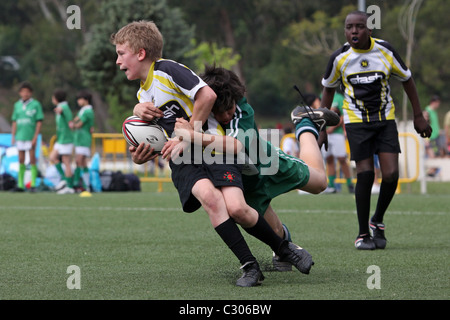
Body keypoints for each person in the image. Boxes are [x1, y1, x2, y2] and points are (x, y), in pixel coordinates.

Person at [111, 20, 313, 287]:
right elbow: (161, 137)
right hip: (184, 159)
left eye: (120, 53)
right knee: (211, 200)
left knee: (239, 208)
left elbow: (206, 96)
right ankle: (250, 266)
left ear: (140, 53)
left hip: (212, 146)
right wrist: (142, 152)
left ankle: (284, 248)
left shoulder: (167, 70)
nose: (117, 61)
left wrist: (189, 133)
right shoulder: (142, 94)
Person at [174, 65, 340, 273]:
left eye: (229, 109)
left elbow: (234, 145)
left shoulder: (243, 109)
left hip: (267, 161)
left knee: (320, 184)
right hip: (244, 182)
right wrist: (139, 110)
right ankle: (284, 246)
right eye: (220, 111)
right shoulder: (199, 107)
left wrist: (191, 135)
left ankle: (304, 124)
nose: (225, 116)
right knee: (274, 232)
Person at [320, 11, 432, 250]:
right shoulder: (339, 58)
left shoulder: (385, 51)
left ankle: (377, 220)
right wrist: (321, 125)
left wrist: (418, 115)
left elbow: (407, 80)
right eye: (349, 27)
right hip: (356, 121)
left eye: (359, 27)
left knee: (391, 174)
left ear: (369, 30)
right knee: (365, 174)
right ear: (345, 31)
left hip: (385, 119)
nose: (354, 31)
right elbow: (328, 89)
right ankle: (362, 234)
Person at [10, 81, 44, 192]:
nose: (25, 94)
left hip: (30, 136)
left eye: (27, 92)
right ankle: (20, 184)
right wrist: (13, 135)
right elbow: (14, 121)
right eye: (23, 91)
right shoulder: (17, 105)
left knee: (32, 159)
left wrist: (35, 136)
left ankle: (33, 184)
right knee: (21, 159)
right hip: (20, 136)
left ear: (31, 93)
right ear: (20, 93)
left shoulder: (36, 104)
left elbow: (39, 121)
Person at [321, 92, 355, 194]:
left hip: (337, 134)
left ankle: (350, 184)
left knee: (341, 159)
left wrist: (332, 128)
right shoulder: (321, 95)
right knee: (329, 159)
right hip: (325, 134)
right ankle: (331, 186)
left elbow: (343, 116)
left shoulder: (339, 97)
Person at [49, 89, 75, 194]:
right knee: (52, 157)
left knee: (66, 161)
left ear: (56, 98)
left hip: (66, 139)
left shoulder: (64, 107)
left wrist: (60, 110)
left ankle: (69, 186)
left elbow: (66, 114)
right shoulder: (62, 106)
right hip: (60, 139)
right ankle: (64, 179)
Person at [71, 90, 95, 191]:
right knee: (83, 162)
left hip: (83, 139)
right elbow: (76, 119)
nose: (78, 101)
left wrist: (72, 126)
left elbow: (79, 124)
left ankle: (75, 183)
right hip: (79, 139)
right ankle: (87, 185)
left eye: (79, 99)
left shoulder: (88, 111)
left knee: (79, 160)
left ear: (86, 100)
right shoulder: (83, 110)